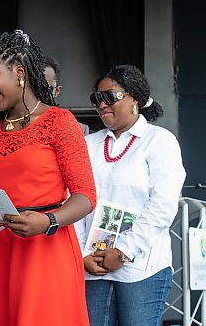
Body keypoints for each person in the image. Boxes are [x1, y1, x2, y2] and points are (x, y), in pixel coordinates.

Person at [0, 30, 96, 326]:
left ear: (19, 72)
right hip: (5, 251)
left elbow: (86, 196)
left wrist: (48, 221)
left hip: (47, 247)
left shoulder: (59, 122)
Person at [75, 65, 186, 326]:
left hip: (142, 268)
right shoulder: (88, 145)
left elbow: (162, 206)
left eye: (110, 96)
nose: (101, 104)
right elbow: (77, 199)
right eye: (96, 98)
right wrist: (81, 255)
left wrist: (123, 251)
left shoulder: (159, 141)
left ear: (134, 97)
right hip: (94, 266)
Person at [0, 52, 88, 165]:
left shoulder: (70, 126)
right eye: (36, 85)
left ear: (57, 91)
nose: (40, 91)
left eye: (47, 88)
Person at [43, 54, 90, 135]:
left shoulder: (79, 130)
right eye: (34, 88)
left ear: (57, 91)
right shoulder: (15, 126)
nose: (39, 93)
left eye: (47, 88)